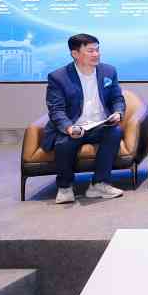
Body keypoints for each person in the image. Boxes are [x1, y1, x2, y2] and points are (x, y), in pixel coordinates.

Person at [43, 34, 125, 204]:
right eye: (90, 51)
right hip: (74, 126)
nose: (96, 54)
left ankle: (99, 184)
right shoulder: (58, 77)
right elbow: (56, 110)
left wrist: (118, 113)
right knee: (63, 142)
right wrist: (68, 127)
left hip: (99, 125)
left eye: (97, 50)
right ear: (75, 54)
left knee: (114, 132)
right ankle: (65, 186)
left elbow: (117, 98)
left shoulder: (108, 71)